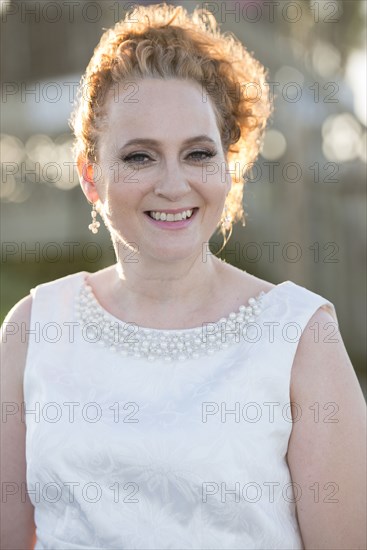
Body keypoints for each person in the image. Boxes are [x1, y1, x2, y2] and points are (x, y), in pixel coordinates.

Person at [1, 3, 366, 549]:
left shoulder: (300, 337)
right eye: (140, 156)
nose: (173, 184)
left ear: (228, 165)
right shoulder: (31, 329)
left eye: (197, 153)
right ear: (90, 176)